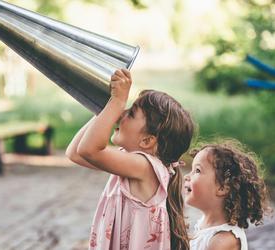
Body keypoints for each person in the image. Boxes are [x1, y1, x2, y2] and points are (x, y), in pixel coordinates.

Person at [66, 68, 194, 250]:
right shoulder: (131, 161)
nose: (121, 113)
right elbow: (75, 153)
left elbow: (89, 150)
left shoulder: (146, 167)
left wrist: (116, 101)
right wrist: (105, 108)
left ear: (147, 140)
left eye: (131, 113)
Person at [184, 139, 271, 250]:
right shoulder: (204, 224)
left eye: (197, 170)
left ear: (222, 188)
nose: (186, 176)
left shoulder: (223, 240)